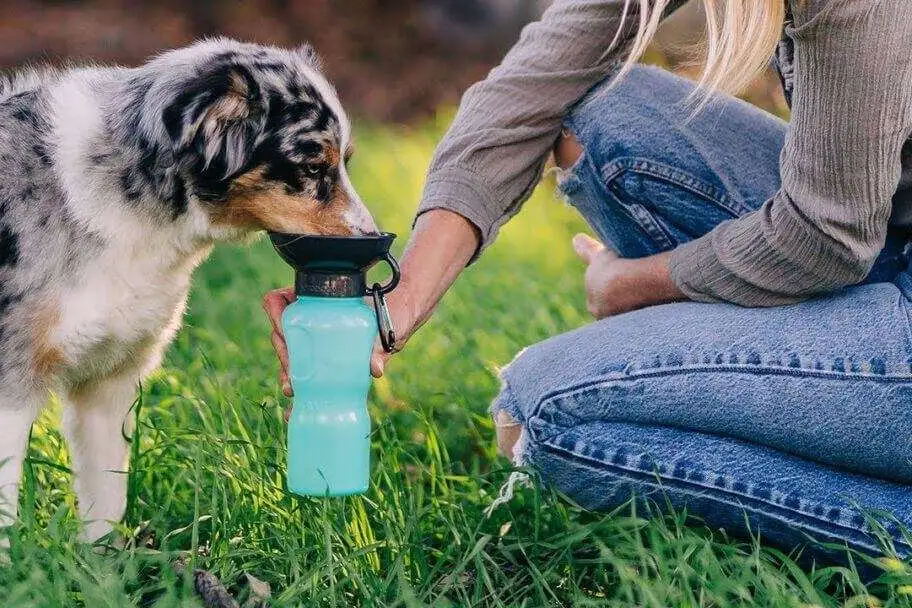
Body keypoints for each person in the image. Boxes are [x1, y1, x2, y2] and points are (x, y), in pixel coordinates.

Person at [263, 0, 912, 556]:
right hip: (884, 239)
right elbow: (531, 89)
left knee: (547, 415)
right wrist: (397, 305)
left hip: (858, 251)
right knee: (603, 113)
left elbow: (824, 233)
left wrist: (629, 284)